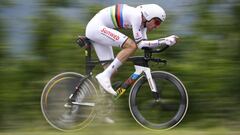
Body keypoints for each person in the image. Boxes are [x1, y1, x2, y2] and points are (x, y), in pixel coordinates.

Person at [85, 4, 178, 96]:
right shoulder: (136, 16)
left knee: (112, 70)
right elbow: (139, 44)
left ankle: (101, 99)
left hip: (99, 30)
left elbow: (144, 46)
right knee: (131, 46)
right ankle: (104, 77)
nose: (157, 26)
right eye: (157, 22)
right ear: (149, 16)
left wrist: (163, 45)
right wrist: (164, 40)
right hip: (96, 28)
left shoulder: (142, 25)